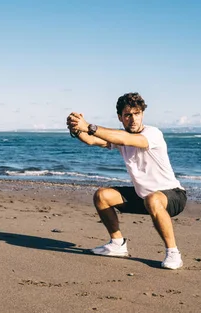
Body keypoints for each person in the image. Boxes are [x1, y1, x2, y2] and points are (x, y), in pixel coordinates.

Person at [66, 92, 187, 269]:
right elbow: (92, 140)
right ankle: (117, 244)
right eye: (128, 115)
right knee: (102, 195)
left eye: (137, 113)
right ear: (120, 118)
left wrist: (89, 126)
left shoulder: (152, 134)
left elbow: (126, 139)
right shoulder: (120, 136)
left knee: (153, 199)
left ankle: (173, 253)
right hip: (143, 197)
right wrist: (76, 128)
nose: (133, 119)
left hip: (172, 196)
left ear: (142, 114)